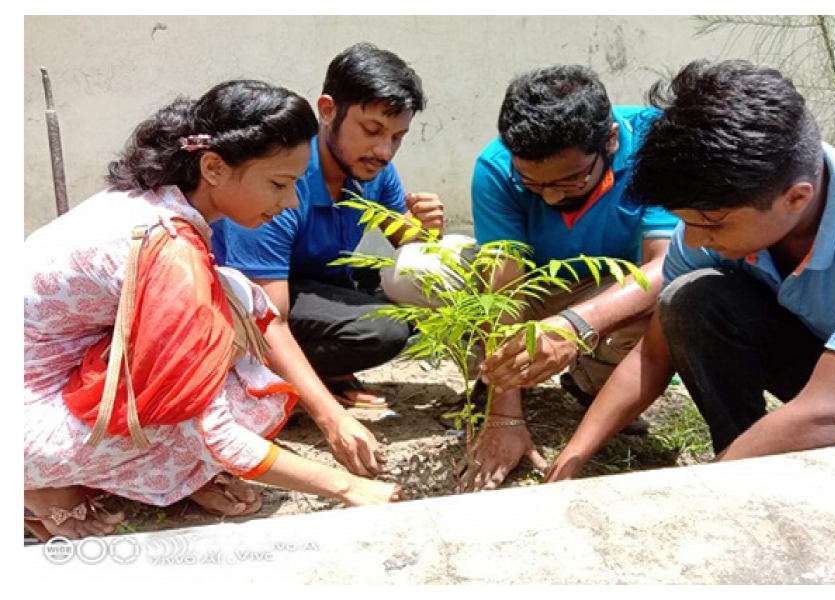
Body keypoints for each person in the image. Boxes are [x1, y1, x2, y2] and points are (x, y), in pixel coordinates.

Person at [24, 80, 403, 542]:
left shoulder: (160, 201)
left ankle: (180, 476)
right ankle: (39, 485)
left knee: (236, 305)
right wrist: (349, 487)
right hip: (21, 417)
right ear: (213, 167)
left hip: (45, 371)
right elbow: (212, 429)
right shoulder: (170, 252)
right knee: (238, 396)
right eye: (280, 184)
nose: (290, 203)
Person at [545, 59, 835, 482]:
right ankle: (748, 469)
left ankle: (737, 478)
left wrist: (704, 489)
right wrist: (574, 456)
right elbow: (653, 351)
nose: (696, 240)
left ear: (796, 198)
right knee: (689, 299)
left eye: (712, 224)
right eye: (690, 221)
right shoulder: (724, 213)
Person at [469, 65, 679, 491]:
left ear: (611, 141)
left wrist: (575, 327)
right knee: (429, 274)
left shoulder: (656, 145)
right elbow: (504, 293)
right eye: (531, 183)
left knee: (676, 299)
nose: (549, 196)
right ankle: (495, 375)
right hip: (538, 287)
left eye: (570, 180)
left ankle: (592, 381)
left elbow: (664, 266)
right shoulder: (494, 168)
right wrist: (504, 416)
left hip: (615, 291)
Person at [212, 42, 447, 410]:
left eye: (397, 137)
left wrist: (427, 227)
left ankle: (310, 374)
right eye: (372, 129)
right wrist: (329, 416)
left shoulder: (372, 170)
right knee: (383, 330)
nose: (385, 150)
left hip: (320, 287)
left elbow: (405, 237)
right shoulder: (283, 177)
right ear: (327, 110)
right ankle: (261, 382)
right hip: (253, 301)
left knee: (430, 285)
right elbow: (265, 318)